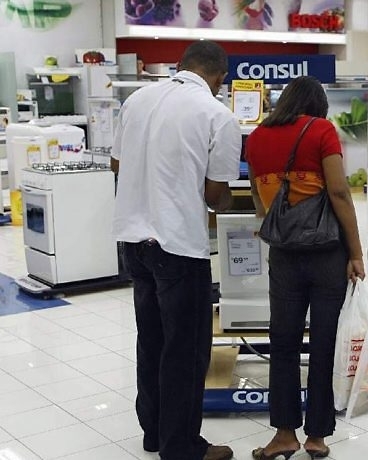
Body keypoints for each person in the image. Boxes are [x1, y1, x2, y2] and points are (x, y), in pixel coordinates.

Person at [111, 41, 241, 460]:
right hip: (179, 247)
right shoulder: (218, 115)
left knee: (151, 341)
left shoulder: (137, 100)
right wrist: (225, 199)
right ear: (220, 78)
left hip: (134, 241)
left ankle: (154, 433)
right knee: (185, 350)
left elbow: (117, 164)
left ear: (180, 65)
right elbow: (216, 195)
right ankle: (181, 446)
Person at [245, 76, 365, 460]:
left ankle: (284, 434)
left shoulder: (257, 137)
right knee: (324, 342)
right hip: (326, 253)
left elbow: (258, 199)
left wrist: (281, 223)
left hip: (284, 254)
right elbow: (339, 192)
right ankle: (316, 436)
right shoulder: (321, 130)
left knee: (283, 343)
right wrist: (356, 253)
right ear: (318, 106)